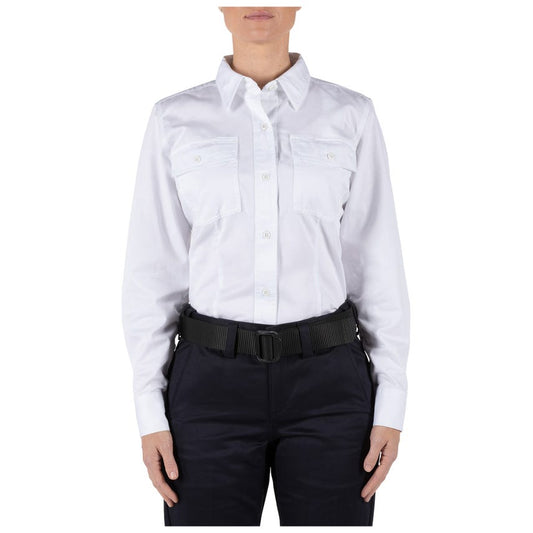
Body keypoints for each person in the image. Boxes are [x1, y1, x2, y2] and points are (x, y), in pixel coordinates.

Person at [121, 5, 410, 527]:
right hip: (209, 388)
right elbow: (153, 272)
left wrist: (391, 402)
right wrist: (149, 409)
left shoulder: (351, 115)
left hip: (329, 387)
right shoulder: (173, 120)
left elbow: (376, 264)